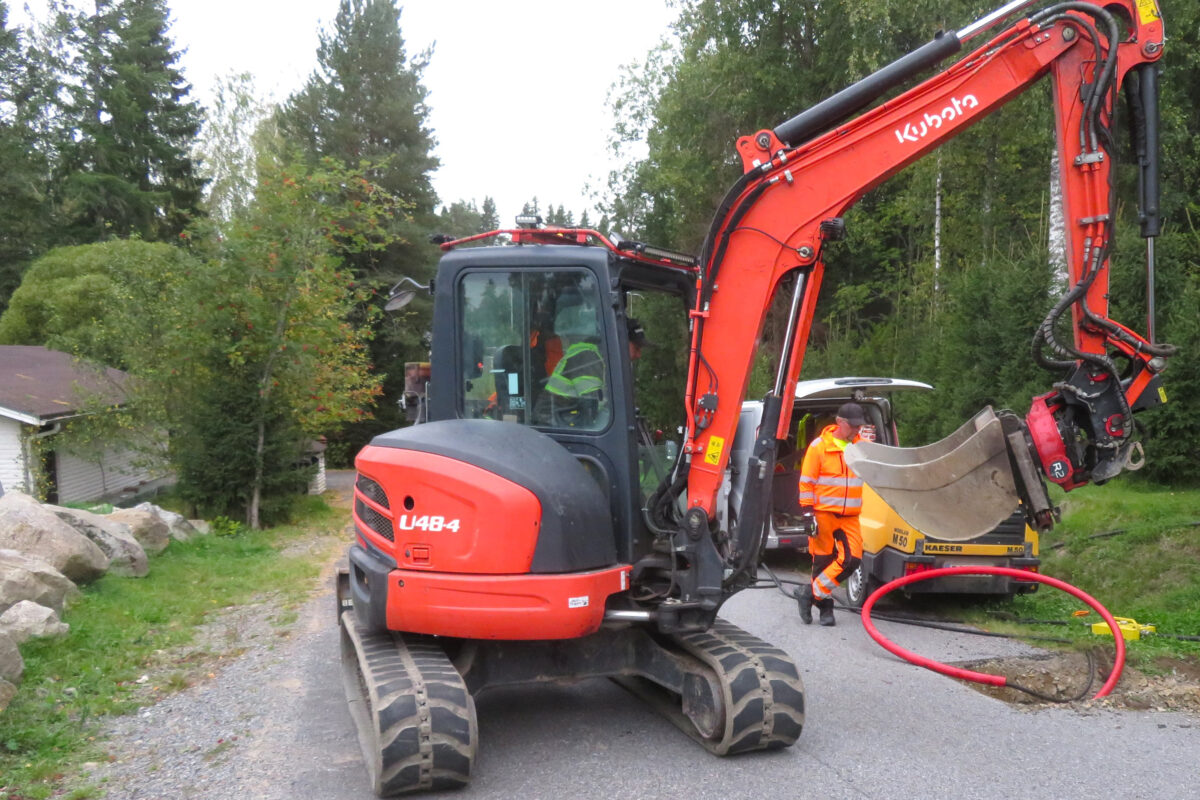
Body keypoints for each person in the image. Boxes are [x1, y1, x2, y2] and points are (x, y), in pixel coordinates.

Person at [795, 402, 869, 626]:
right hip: (823, 514)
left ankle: (809, 593)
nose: (857, 430)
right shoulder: (819, 447)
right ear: (839, 422)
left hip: (850, 516)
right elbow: (807, 483)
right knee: (823, 561)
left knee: (852, 560)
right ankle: (826, 610)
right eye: (853, 426)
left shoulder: (862, 447)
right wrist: (808, 515)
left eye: (859, 426)